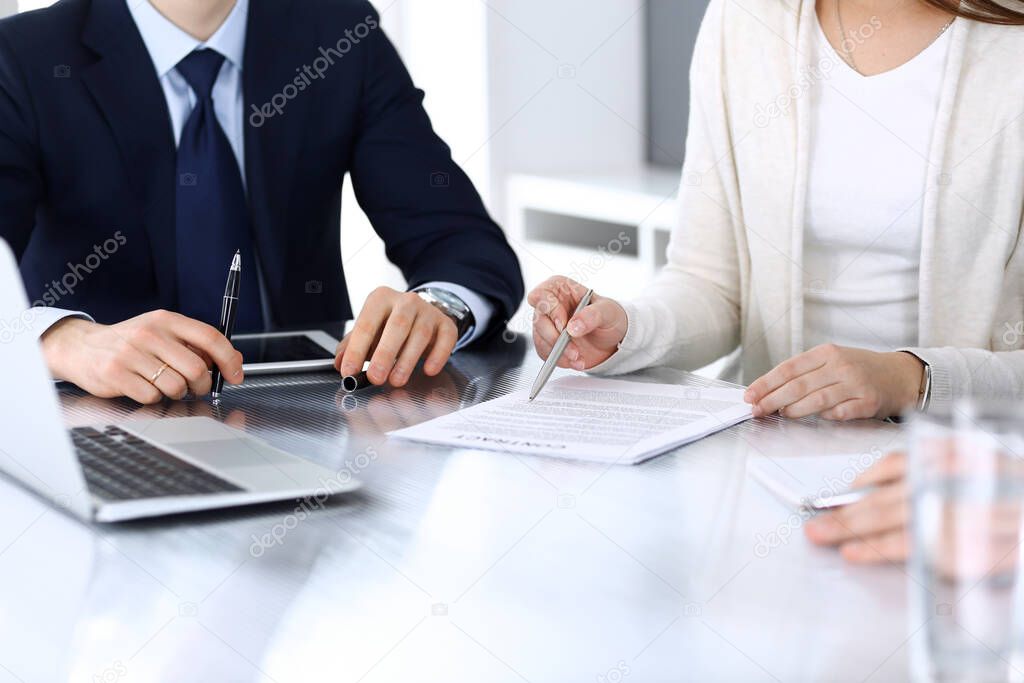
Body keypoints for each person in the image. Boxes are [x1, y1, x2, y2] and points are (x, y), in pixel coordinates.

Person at [529, 0, 1024, 562]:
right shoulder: (744, 20)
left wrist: (910, 378)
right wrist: (625, 330)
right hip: (772, 481)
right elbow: (710, 284)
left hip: (975, 499)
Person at [0, 0, 523, 404]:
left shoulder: (339, 35)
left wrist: (437, 308)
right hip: (97, 415)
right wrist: (57, 340)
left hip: (309, 411)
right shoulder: (24, 55)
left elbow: (462, 241)